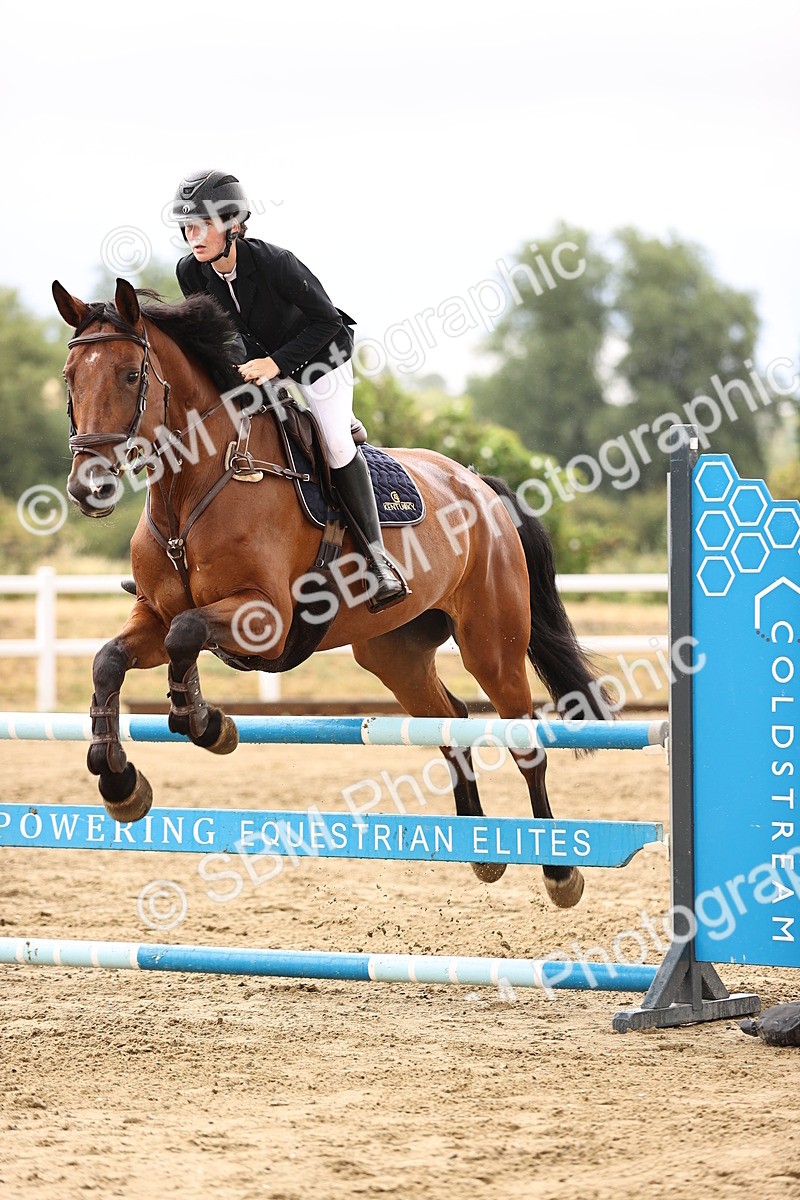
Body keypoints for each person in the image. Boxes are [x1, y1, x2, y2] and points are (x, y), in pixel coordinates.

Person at [171, 168, 408, 612]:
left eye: (201, 225)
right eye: (187, 226)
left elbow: (328, 323)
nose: (192, 235)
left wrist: (277, 364)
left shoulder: (276, 263)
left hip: (320, 358)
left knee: (336, 443)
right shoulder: (191, 271)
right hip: (262, 365)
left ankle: (379, 563)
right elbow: (224, 329)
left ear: (233, 225)